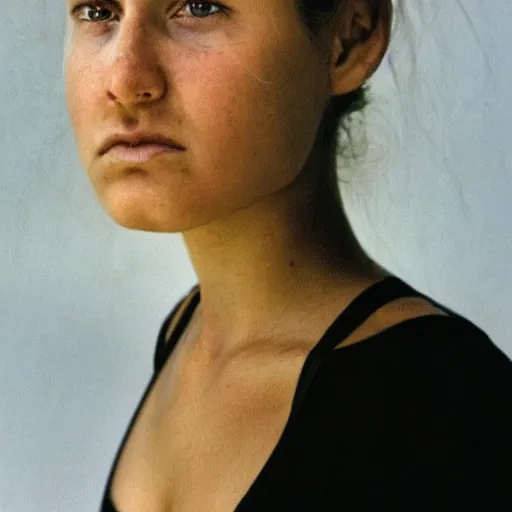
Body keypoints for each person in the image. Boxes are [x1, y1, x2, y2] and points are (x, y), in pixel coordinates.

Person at [63, 0, 512, 510]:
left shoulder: (452, 409)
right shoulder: (183, 337)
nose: (123, 79)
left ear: (349, 41)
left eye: (200, 7)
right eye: (98, 11)